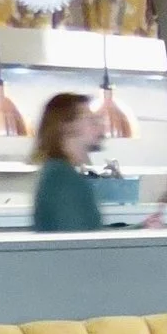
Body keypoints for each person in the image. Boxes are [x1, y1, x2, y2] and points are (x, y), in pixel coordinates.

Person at [30, 92, 104, 232]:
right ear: (66, 126)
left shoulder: (58, 172)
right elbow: (80, 244)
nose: (100, 127)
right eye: (91, 120)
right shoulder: (63, 180)